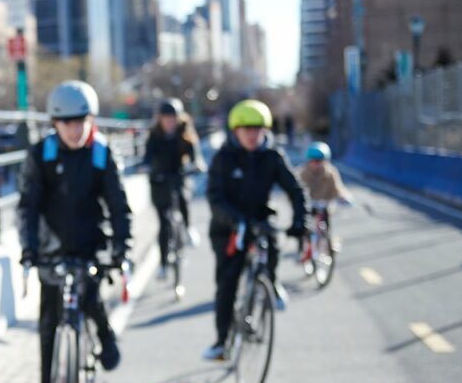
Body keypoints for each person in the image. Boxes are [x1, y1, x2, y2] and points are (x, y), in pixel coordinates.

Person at [17, 81, 131, 383]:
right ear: (55, 123)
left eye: (82, 120)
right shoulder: (42, 155)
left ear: (91, 119)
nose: (75, 128)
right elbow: (28, 207)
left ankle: (105, 335)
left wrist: (121, 249)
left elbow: (118, 207)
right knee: (50, 322)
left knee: (91, 296)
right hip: (51, 251)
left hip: (91, 245)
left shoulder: (101, 153)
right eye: (67, 122)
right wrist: (29, 249)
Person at [203, 99, 307, 361]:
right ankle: (221, 342)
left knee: (271, 246)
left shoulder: (272, 157)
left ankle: (270, 280)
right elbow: (215, 198)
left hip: (260, 219)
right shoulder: (223, 158)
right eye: (246, 129)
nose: (252, 134)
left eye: (257, 129)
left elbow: (295, 190)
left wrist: (299, 222)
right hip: (228, 227)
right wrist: (236, 221)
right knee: (227, 282)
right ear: (236, 131)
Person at [143, 98, 205, 280]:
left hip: (179, 176)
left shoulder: (185, 133)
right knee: (163, 223)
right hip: (159, 180)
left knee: (183, 198)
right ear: (160, 119)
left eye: (173, 118)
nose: (169, 122)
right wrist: (147, 167)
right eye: (166, 118)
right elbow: (147, 157)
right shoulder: (154, 136)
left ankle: (188, 227)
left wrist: (196, 165)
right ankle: (163, 264)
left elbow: (195, 155)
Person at [299, 141, 353, 227]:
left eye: (320, 161)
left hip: (324, 206)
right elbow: (294, 188)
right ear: (309, 161)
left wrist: (343, 197)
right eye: (314, 161)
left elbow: (338, 188)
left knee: (326, 226)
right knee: (303, 226)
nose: (317, 164)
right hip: (308, 205)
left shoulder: (331, 173)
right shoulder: (302, 173)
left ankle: (328, 238)